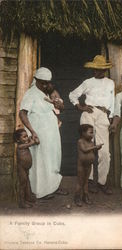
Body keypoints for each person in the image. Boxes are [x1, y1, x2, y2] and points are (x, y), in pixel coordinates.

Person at [19, 67, 68, 199]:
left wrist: (58, 105)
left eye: (47, 82)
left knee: (53, 159)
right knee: (41, 161)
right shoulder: (31, 93)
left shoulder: (45, 93)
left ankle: (53, 187)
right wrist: (32, 131)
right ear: (36, 80)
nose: (45, 85)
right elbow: (22, 113)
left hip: (51, 133)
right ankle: (42, 191)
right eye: (42, 82)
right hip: (39, 132)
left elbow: (58, 109)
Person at [69, 55, 114, 194]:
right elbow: (72, 95)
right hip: (89, 112)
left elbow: (112, 101)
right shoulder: (88, 82)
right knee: (88, 147)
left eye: (100, 69)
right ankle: (87, 181)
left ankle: (101, 182)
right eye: (95, 69)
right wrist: (80, 107)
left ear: (105, 70)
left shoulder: (110, 83)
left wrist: (111, 117)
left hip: (103, 115)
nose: (97, 72)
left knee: (104, 152)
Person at [74, 124, 103, 207]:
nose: (92, 134)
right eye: (90, 132)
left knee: (86, 181)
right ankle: (77, 197)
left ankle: (85, 196)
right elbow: (84, 149)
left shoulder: (91, 142)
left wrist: (97, 148)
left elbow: (93, 152)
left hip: (88, 165)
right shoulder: (80, 141)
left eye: (93, 133)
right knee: (80, 182)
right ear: (83, 133)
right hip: (81, 166)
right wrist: (94, 147)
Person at [13, 129, 36, 208]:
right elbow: (32, 143)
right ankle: (22, 202)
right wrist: (31, 139)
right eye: (24, 137)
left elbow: (30, 142)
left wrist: (29, 138)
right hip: (21, 168)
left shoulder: (24, 144)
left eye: (26, 136)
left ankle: (28, 197)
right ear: (18, 140)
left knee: (27, 182)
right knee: (23, 184)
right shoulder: (20, 146)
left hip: (26, 168)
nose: (26, 138)